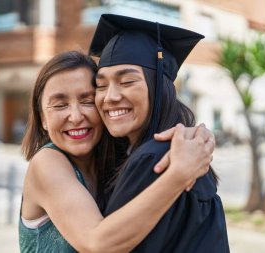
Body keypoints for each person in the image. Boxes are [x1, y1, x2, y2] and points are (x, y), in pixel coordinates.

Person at [19, 51, 215, 253]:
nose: (76, 117)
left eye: (87, 101)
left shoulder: (119, 159)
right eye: (60, 105)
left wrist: (195, 136)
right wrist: (180, 175)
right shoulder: (47, 163)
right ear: (42, 118)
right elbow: (97, 244)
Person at [89, 14, 230, 252]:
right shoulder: (178, 151)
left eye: (127, 82)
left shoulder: (156, 160)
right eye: (101, 85)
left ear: (159, 87)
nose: (110, 97)